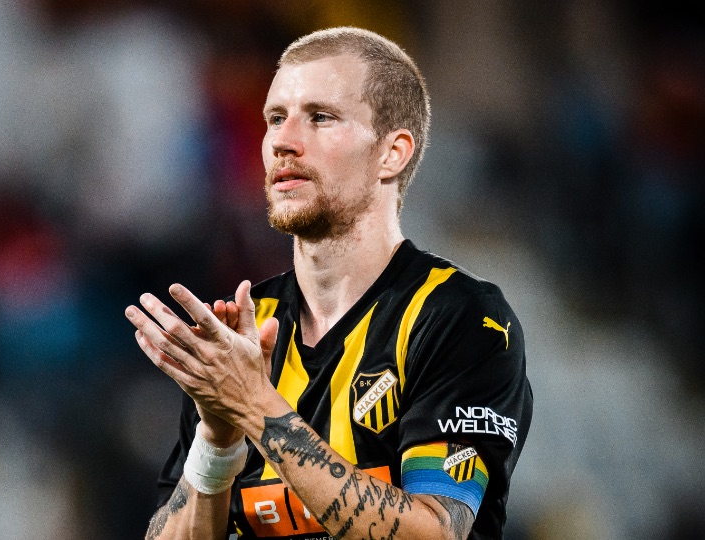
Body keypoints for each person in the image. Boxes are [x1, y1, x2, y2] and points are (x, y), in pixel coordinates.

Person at [124, 26, 533, 540]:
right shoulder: (242, 332)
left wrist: (255, 404)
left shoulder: (457, 317)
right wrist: (218, 440)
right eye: (276, 119)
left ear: (392, 153)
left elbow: (436, 531)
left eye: (320, 117)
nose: (283, 142)